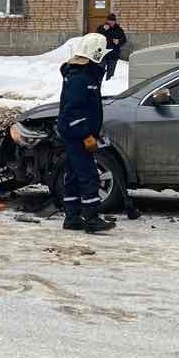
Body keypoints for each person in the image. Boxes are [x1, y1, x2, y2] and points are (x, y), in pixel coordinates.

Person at [57, 33, 114, 234]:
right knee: (88, 175)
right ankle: (91, 218)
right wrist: (85, 134)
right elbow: (73, 110)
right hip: (76, 135)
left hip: (76, 133)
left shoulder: (84, 75)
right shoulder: (81, 78)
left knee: (73, 175)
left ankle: (72, 217)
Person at [95, 12, 127, 82]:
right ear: (107, 21)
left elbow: (124, 40)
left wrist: (119, 41)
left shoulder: (119, 29)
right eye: (109, 20)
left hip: (113, 54)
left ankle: (109, 83)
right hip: (101, 53)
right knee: (99, 71)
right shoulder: (101, 28)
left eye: (113, 21)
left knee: (111, 73)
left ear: (115, 21)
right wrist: (103, 30)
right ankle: (98, 83)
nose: (111, 22)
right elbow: (96, 37)